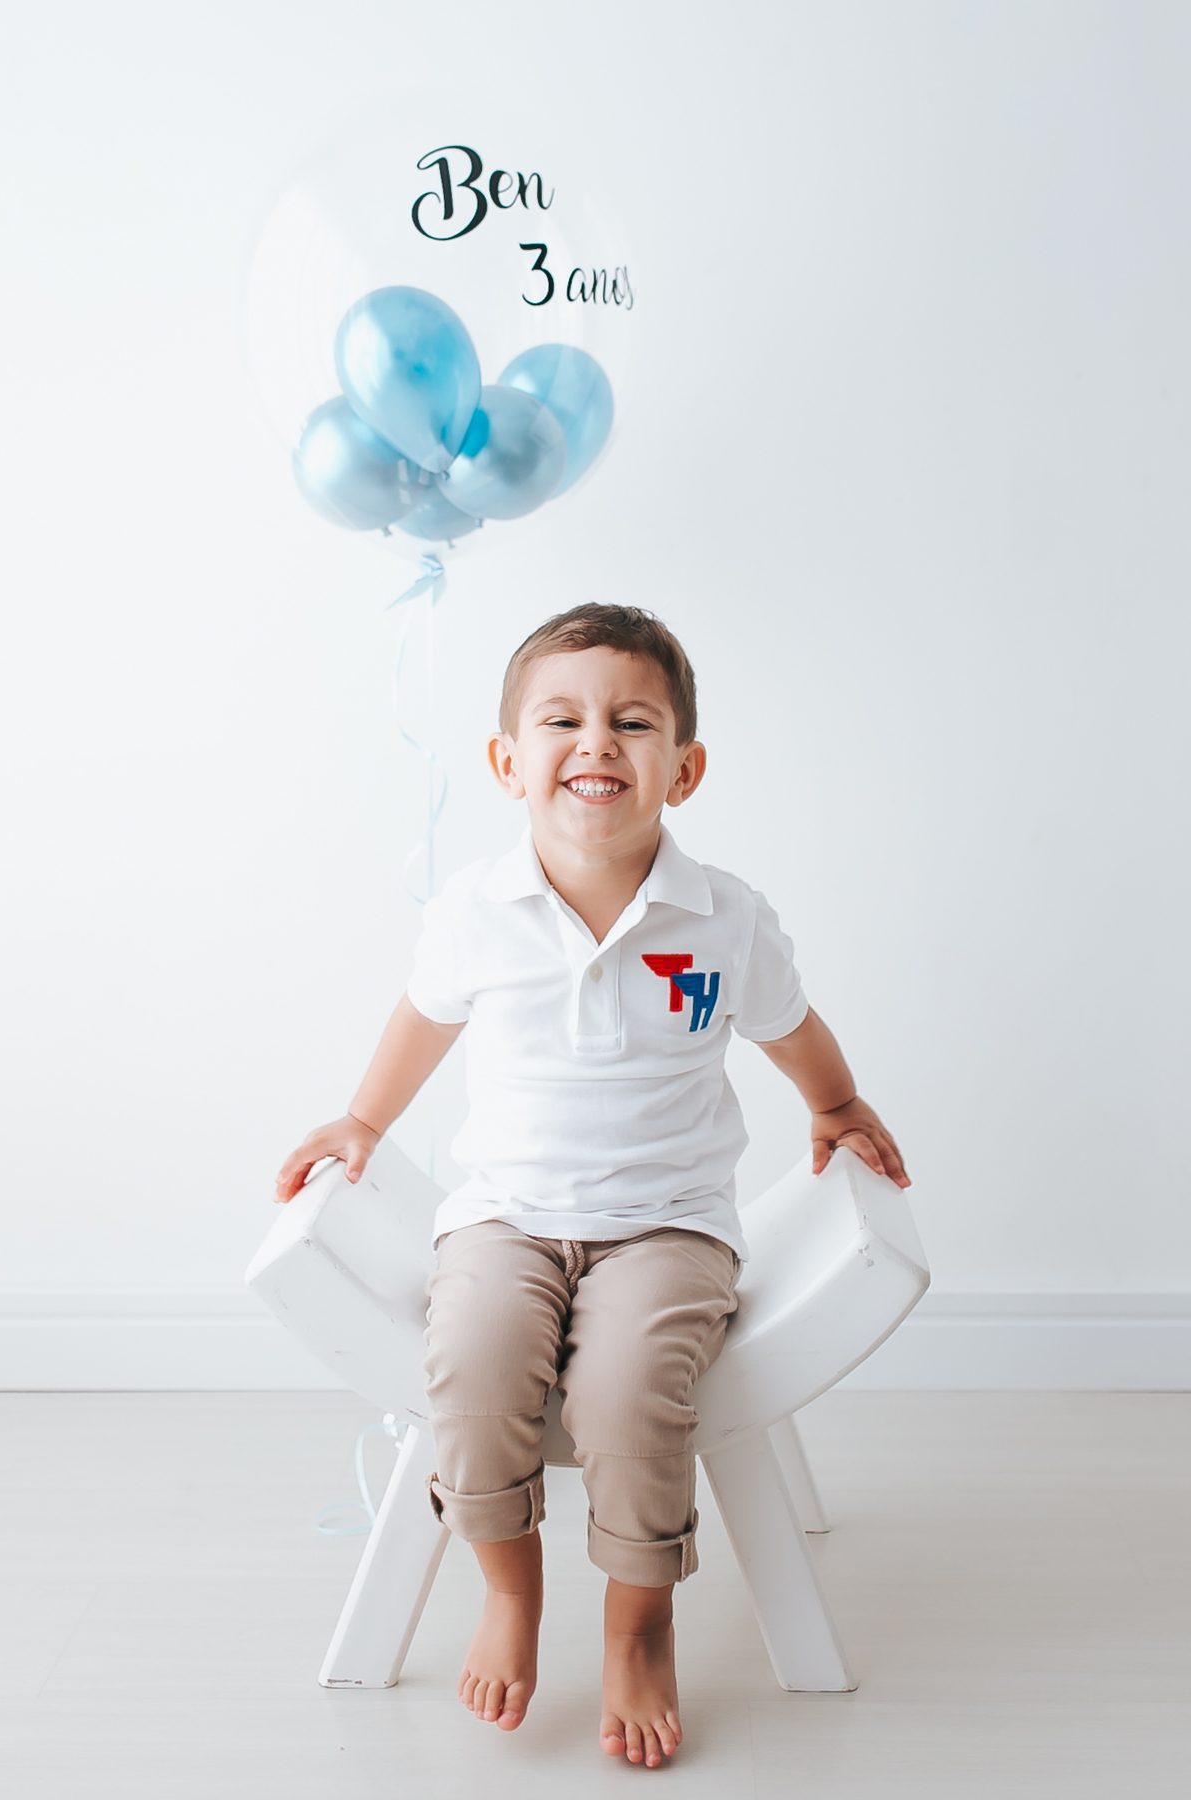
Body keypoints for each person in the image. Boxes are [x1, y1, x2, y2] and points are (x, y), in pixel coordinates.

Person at [276, 603, 908, 1769]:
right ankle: (509, 1587)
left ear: (685, 768)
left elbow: (790, 1024)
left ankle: (638, 1620)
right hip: (504, 1220)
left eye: (633, 722)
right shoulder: (475, 909)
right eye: (561, 720)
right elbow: (422, 1019)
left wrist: (835, 1103)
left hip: (668, 1230)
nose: (596, 742)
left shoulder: (723, 918)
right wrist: (362, 1121)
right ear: (507, 762)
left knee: (627, 1394)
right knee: (471, 1365)